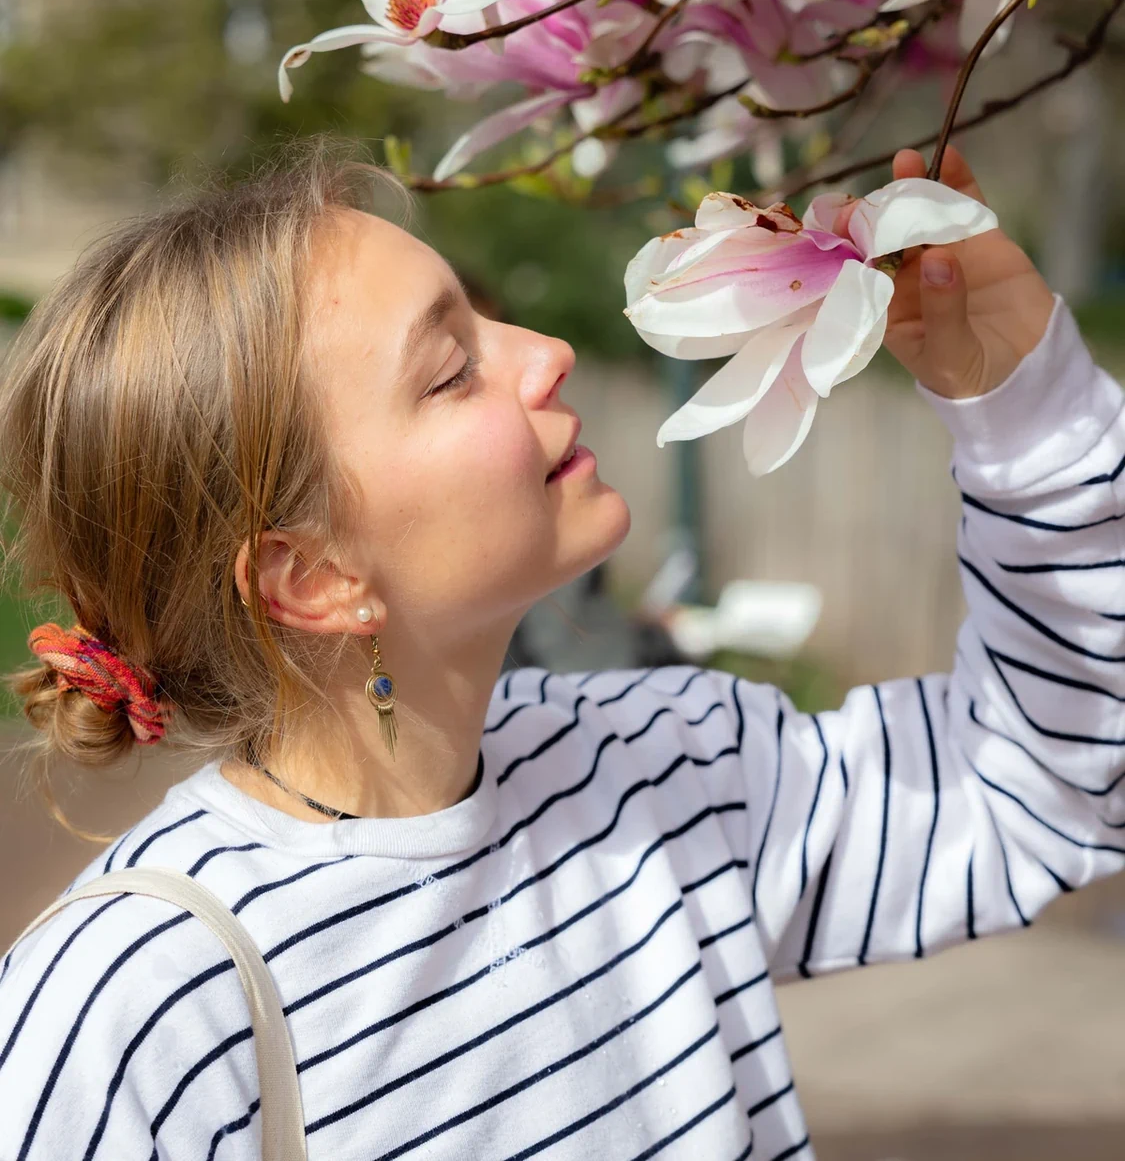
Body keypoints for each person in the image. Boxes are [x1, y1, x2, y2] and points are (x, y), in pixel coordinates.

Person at [0, 140, 1121, 1161]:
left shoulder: (664, 767)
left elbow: (1041, 795)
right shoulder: (130, 1009)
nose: (547, 353)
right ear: (315, 576)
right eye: (450, 370)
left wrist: (1026, 407)